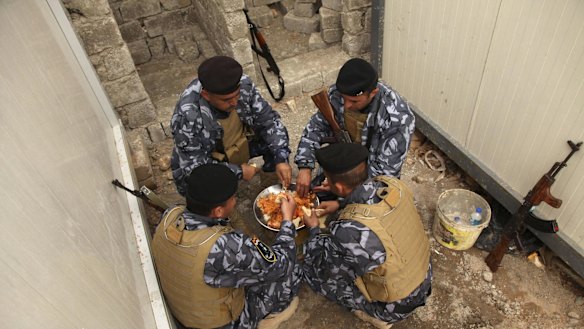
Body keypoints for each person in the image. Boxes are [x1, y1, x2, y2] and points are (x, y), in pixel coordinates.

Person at [151, 164, 302, 329]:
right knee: (293, 270)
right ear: (218, 211)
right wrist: (287, 221)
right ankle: (273, 315)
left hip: (187, 314)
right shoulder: (226, 246)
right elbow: (281, 265)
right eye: (233, 198)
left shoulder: (171, 215)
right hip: (221, 324)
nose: (235, 200)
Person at [301, 143, 432, 328]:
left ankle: (379, 315)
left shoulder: (348, 231)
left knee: (312, 272)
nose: (326, 184)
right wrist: (340, 203)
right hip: (423, 277)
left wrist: (314, 228)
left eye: (328, 181)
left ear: (337, 185)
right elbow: (371, 207)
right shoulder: (392, 185)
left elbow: (323, 262)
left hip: (399, 303)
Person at [170, 55, 292, 196]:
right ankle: (223, 214)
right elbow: (195, 167)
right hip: (211, 157)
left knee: (275, 141)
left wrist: (281, 159)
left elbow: (269, 122)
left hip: (241, 143)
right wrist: (238, 171)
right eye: (226, 100)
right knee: (201, 184)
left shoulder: (242, 83)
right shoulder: (187, 116)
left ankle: (271, 188)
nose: (234, 102)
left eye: (237, 95)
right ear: (206, 95)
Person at [294, 58, 415, 198]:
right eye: (344, 98)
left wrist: (343, 199)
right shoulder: (342, 91)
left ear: (373, 93)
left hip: (372, 177)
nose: (346, 105)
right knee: (313, 196)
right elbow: (314, 129)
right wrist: (305, 166)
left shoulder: (397, 119)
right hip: (343, 163)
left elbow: (384, 176)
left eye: (354, 101)